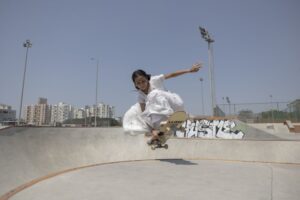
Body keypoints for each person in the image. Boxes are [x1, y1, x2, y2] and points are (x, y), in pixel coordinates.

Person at [131, 62, 202, 141]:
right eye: (138, 83)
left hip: (174, 103)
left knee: (152, 94)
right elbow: (144, 115)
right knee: (146, 113)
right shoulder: (140, 96)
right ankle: (160, 130)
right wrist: (152, 130)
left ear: (147, 79)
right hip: (165, 112)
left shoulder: (154, 80)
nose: (142, 85)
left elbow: (172, 75)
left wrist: (189, 70)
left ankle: (168, 117)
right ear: (135, 85)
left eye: (143, 81)